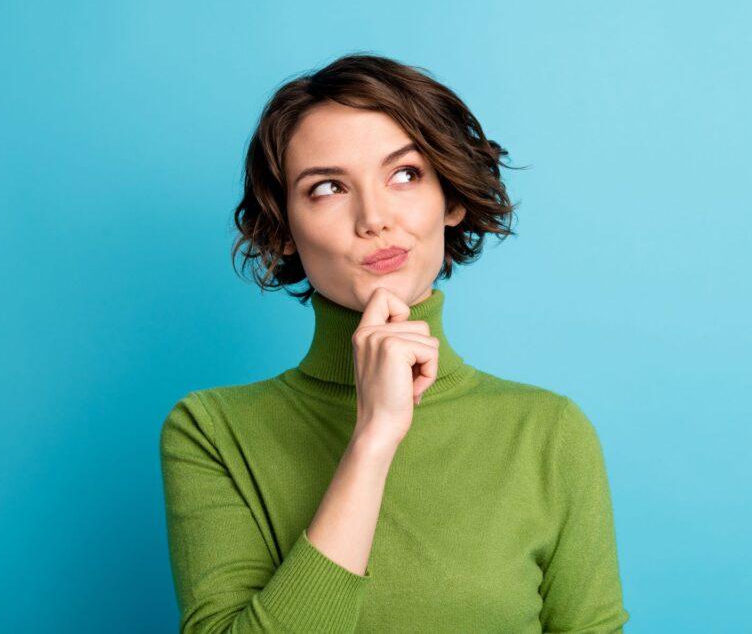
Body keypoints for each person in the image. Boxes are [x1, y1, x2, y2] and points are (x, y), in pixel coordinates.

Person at [159, 53, 630, 633]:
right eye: (328, 188)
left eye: (405, 174)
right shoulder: (212, 431)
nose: (374, 217)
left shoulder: (548, 433)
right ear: (284, 231)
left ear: (451, 198)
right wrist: (373, 438)